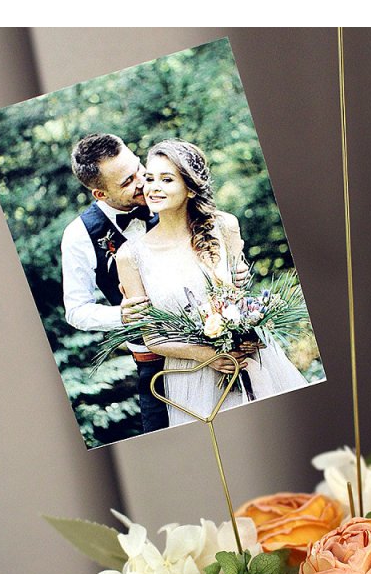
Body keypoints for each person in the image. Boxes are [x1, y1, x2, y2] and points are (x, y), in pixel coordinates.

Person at [116, 139, 308, 428]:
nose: (153, 188)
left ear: (191, 188)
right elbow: (153, 338)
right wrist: (208, 355)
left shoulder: (225, 226)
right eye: (150, 178)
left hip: (250, 359)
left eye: (166, 179)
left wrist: (247, 333)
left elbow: (240, 301)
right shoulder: (130, 255)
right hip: (193, 375)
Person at [61, 133, 168, 433]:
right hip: (152, 364)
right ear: (100, 194)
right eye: (127, 182)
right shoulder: (79, 236)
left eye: (138, 167)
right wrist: (121, 315)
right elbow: (76, 310)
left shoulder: (168, 192)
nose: (142, 181)